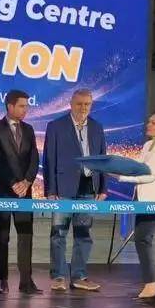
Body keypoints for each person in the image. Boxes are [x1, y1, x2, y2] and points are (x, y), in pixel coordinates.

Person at [42, 88, 107, 292]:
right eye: (79, 104)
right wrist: (50, 190)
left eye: (87, 104)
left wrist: (103, 187)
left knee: (83, 233)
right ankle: (59, 276)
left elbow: (103, 159)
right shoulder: (56, 126)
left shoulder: (97, 127)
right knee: (59, 233)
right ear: (71, 104)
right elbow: (49, 159)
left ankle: (79, 276)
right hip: (63, 188)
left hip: (88, 187)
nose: (83, 108)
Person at [112, 110, 155, 300]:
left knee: (142, 238)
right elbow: (138, 168)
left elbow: (151, 175)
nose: (148, 125)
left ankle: (152, 284)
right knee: (142, 239)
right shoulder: (148, 145)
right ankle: (151, 283)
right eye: (149, 122)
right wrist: (115, 167)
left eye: (154, 123)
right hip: (143, 201)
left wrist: (121, 178)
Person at [0, 89, 41, 295]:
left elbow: (34, 158)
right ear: (10, 106)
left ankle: (26, 281)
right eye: (22, 106)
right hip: (2, 191)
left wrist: (27, 182)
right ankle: (2, 280)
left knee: (26, 235)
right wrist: (13, 183)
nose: (25, 110)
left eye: (27, 106)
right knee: (1, 236)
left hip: (25, 192)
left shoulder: (29, 129)